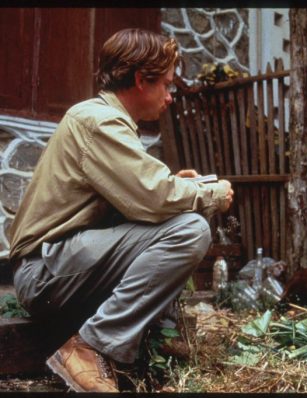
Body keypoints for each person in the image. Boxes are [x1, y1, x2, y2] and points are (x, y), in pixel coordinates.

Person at [8, 28, 234, 393]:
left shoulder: (104, 121)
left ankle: (156, 337)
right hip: (45, 271)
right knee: (189, 229)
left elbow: (140, 197)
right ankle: (89, 348)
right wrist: (209, 193)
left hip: (62, 265)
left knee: (177, 217)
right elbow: (154, 197)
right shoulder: (99, 121)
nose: (170, 96)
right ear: (142, 80)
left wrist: (177, 185)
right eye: (167, 85)